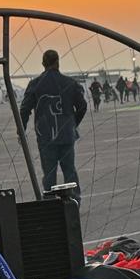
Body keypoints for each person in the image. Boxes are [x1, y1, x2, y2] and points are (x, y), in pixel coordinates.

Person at [19, 49, 88, 199]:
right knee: (69, 171)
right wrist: (72, 123)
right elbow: (82, 106)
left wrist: (21, 131)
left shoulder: (35, 84)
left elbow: (24, 110)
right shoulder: (70, 83)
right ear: (57, 62)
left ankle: (50, 203)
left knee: (49, 174)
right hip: (66, 135)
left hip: (46, 136)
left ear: (43, 63)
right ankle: (74, 202)